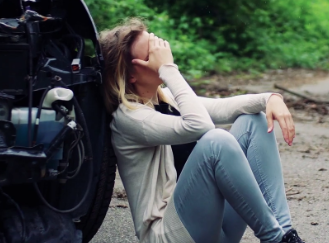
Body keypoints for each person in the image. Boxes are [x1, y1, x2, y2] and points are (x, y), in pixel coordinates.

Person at [99, 18, 304, 243]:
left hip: (211, 230)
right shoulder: (128, 118)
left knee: (253, 121)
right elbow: (201, 126)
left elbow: (222, 107)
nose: (161, 53)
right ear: (131, 75)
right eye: (151, 52)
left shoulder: (167, 98)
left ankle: (285, 233)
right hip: (167, 235)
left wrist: (270, 98)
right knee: (216, 141)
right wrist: (169, 69)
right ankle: (275, 239)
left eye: (158, 44)